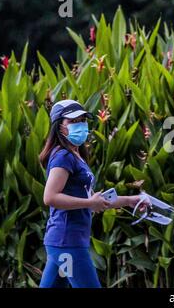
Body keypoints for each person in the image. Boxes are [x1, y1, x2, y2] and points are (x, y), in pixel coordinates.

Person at [38, 99, 147, 288]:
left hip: (64, 242)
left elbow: (92, 197)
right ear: (59, 127)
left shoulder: (75, 155)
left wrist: (130, 200)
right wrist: (89, 204)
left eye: (83, 119)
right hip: (68, 243)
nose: (80, 124)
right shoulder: (63, 156)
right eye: (73, 121)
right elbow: (50, 197)